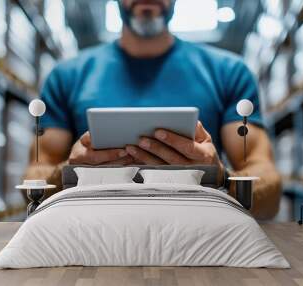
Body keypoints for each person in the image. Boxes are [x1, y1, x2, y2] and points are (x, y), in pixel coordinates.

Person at [24, 0, 282, 219]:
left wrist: (221, 177)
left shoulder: (230, 73)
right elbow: (33, 179)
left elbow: (268, 191)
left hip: (198, 237)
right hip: (92, 235)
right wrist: (68, 171)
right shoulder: (66, 77)